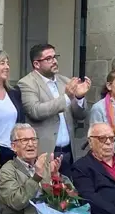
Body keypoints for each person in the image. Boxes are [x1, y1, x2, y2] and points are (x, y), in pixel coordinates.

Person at [18, 44, 90, 177]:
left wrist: (79, 98)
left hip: (68, 152)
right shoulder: (26, 83)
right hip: (44, 153)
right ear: (36, 64)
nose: (54, 61)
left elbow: (80, 115)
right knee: (46, 194)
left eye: (55, 57)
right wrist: (67, 97)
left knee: (67, 194)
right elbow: (35, 111)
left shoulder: (65, 81)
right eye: (49, 58)